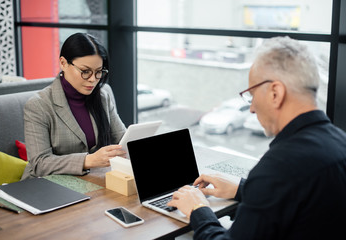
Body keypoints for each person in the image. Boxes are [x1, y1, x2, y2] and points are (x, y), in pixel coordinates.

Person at [167, 36, 346, 239]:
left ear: (275, 93)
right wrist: (242, 190)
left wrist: (198, 209)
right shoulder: (340, 143)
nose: (251, 108)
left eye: (252, 95)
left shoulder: (280, 167)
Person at [21, 33, 126, 179]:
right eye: (85, 71)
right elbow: (39, 164)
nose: (92, 80)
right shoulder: (39, 105)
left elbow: (122, 139)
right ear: (63, 63)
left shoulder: (102, 97)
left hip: (91, 182)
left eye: (98, 72)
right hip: (47, 186)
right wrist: (88, 160)